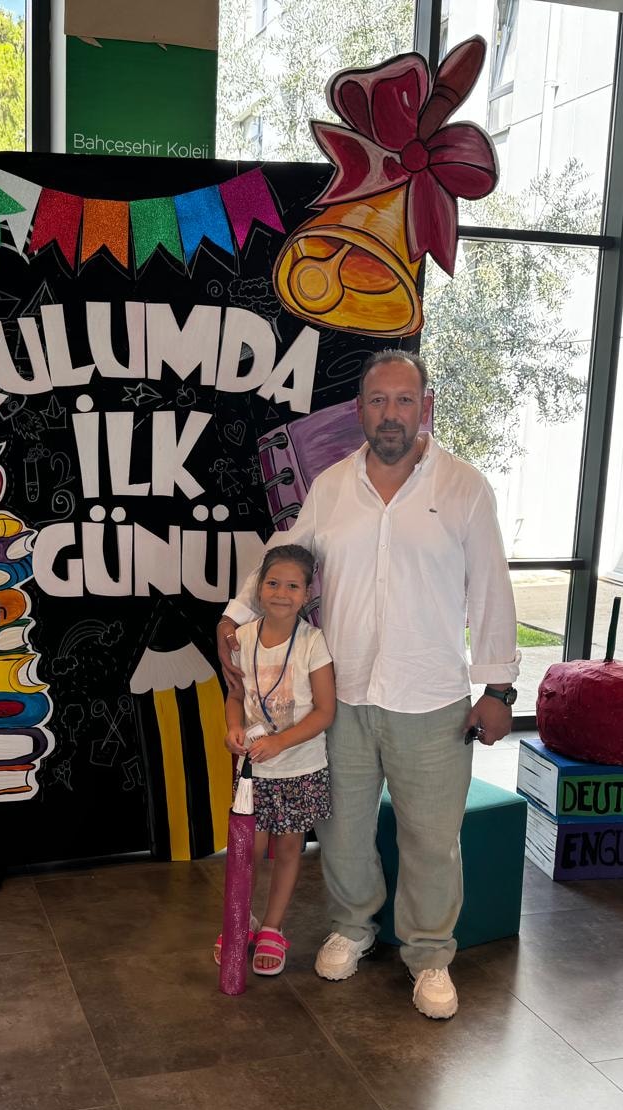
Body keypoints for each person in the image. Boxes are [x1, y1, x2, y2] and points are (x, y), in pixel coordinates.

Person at [217, 349, 519, 1018]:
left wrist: (497, 689)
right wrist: (236, 613)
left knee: (431, 839)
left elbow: (491, 590)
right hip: (342, 697)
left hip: (431, 698)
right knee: (343, 829)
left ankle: (430, 954)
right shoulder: (331, 487)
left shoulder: (464, 487)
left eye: (404, 400)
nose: (391, 414)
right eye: (378, 401)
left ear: (425, 407)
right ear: (359, 411)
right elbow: (287, 557)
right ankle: (352, 927)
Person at [212, 545, 336, 976]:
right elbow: (235, 696)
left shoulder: (313, 643)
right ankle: (240, 921)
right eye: (273, 583)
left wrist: (281, 742)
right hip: (253, 772)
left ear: (307, 594)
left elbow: (325, 711)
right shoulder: (241, 639)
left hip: (300, 769)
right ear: (259, 588)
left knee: (287, 849)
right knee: (247, 850)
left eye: (293, 586)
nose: (281, 593)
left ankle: (272, 928)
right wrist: (233, 729)